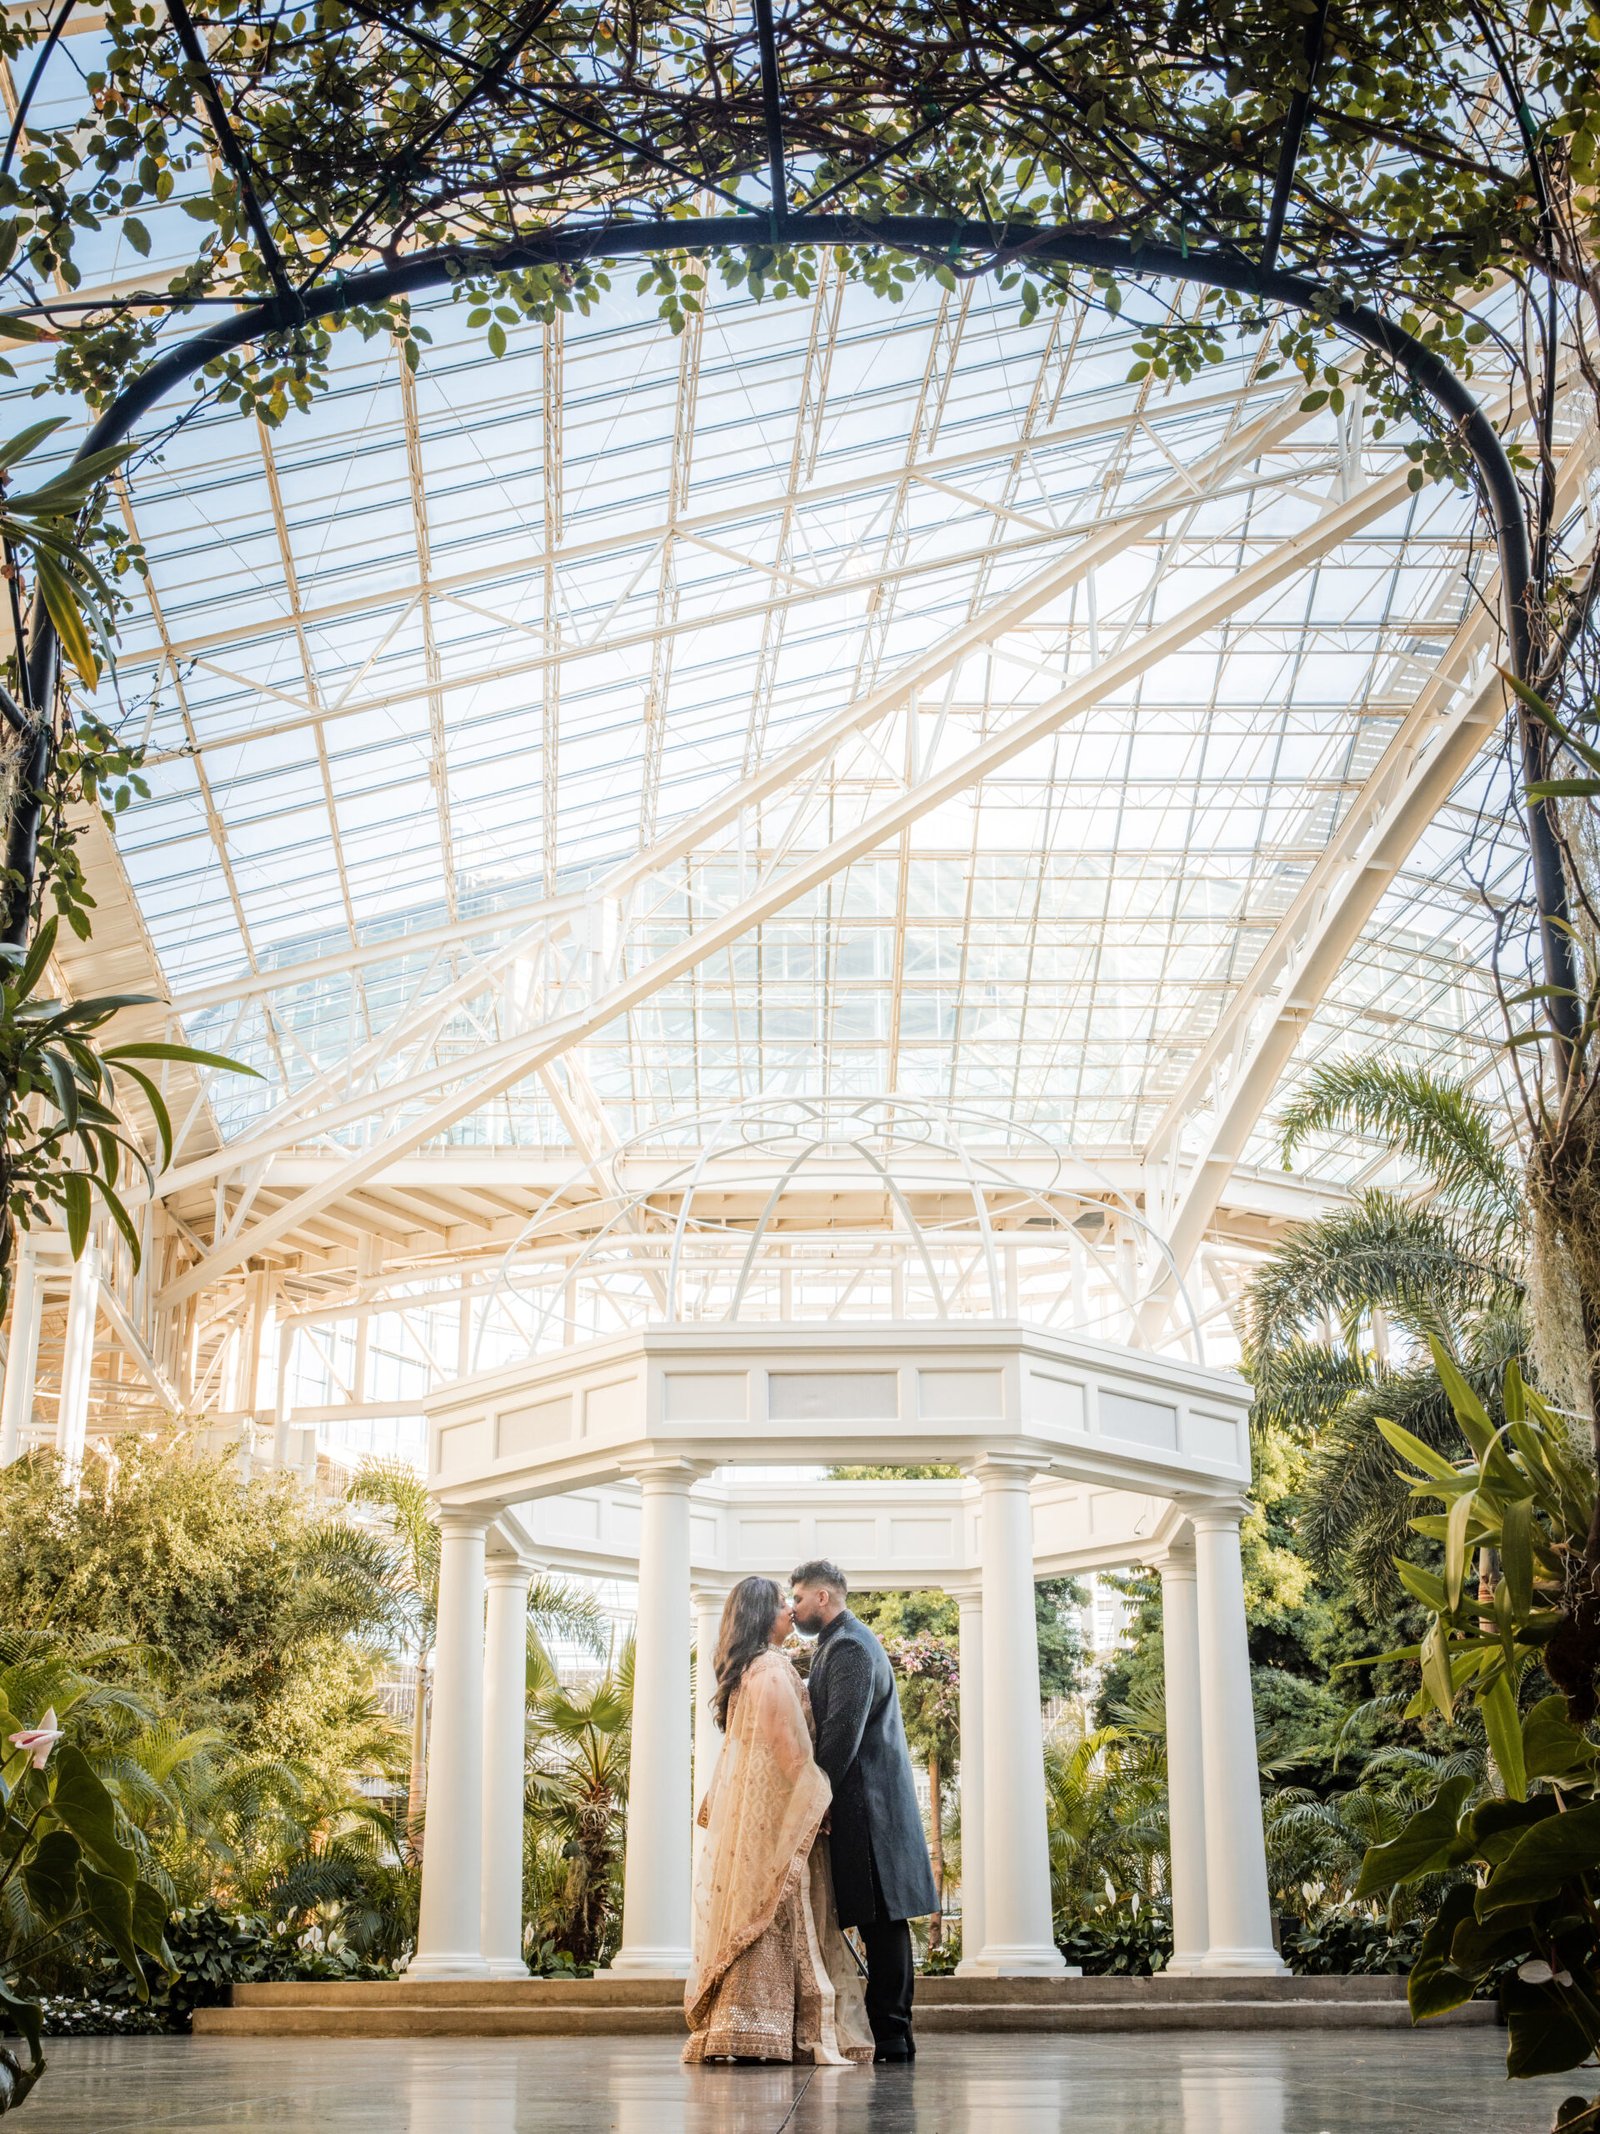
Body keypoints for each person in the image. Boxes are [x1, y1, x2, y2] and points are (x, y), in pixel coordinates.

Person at [683, 1575, 874, 2067]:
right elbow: (789, 1749)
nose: (790, 1610)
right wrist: (819, 1801)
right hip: (779, 1810)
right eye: (781, 1604)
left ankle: (757, 2027)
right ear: (761, 1617)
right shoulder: (769, 1668)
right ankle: (762, 2030)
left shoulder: (753, 1669)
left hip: (766, 1811)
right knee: (776, 1912)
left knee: (767, 1908)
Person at [790, 1558, 938, 2064]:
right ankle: (892, 2035)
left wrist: (818, 1795)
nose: (794, 1610)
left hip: (869, 1808)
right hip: (866, 1805)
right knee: (880, 1920)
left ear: (823, 1598)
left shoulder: (849, 1646)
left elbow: (842, 1735)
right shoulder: (842, 1643)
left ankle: (894, 2036)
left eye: (799, 1599)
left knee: (883, 1921)